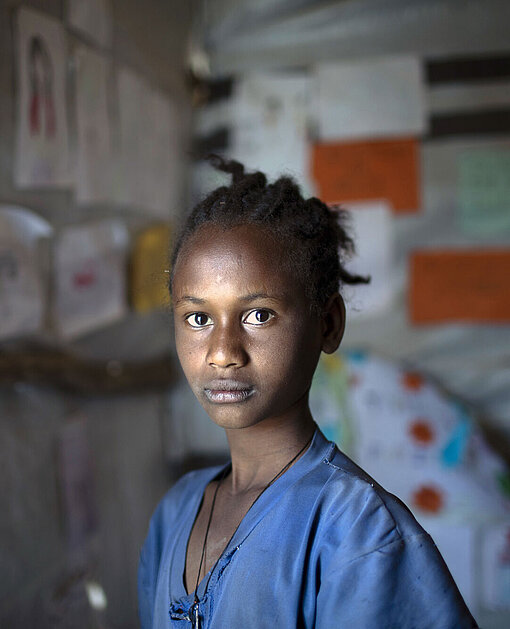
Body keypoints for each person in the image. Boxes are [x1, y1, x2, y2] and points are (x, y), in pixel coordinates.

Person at [138, 156, 477, 628]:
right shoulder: (175, 513)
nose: (221, 352)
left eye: (258, 315)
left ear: (328, 324)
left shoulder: (359, 530)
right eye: (198, 318)